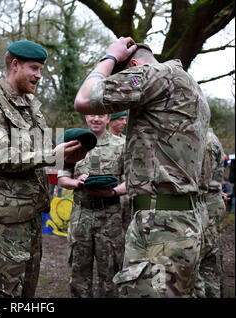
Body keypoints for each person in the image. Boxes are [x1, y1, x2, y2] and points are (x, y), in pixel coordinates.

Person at [74, 37, 210, 297]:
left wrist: (109, 57)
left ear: (135, 66)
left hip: (160, 225)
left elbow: (84, 98)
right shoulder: (188, 84)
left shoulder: (153, 75)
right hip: (180, 220)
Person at [0, 40, 87, 298]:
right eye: (34, 68)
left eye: (41, 69)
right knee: (5, 292)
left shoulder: (33, 110)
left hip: (34, 215)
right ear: (15, 65)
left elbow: (41, 159)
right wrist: (50, 154)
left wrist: (67, 159)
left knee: (28, 290)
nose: (39, 75)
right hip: (9, 220)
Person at [58, 114, 125, 297]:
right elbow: (62, 177)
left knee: (111, 274)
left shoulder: (122, 145)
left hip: (110, 217)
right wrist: (76, 183)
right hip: (81, 216)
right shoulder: (74, 143)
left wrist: (112, 192)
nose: (96, 119)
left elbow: (132, 181)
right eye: (91, 114)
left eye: (101, 115)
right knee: (79, 274)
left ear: (108, 117)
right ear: (86, 115)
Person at [196, 128, 226, 298]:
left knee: (206, 259)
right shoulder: (206, 136)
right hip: (209, 201)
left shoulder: (205, 140)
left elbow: (201, 180)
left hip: (207, 203)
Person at [109, 110, 131, 232]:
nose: (124, 122)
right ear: (110, 120)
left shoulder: (128, 141)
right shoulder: (101, 141)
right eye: (120, 119)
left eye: (125, 119)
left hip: (127, 196)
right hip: (110, 196)